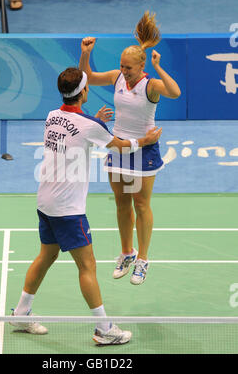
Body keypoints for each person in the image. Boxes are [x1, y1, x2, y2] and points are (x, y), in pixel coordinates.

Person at [10, 67, 162, 345]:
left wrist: (96, 121)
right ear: (84, 91)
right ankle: (104, 329)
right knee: (87, 267)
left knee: (46, 256)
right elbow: (119, 146)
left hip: (45, 201)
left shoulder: (52, 116)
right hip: (68, 208)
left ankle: (21, 312)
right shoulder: (91, 126)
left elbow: (77, 129)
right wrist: (146, 141)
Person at [79, 11, 181, 286]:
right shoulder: (116, 78)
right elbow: (87, 76)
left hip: (145, 149)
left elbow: (175, 92)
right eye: (122, 66)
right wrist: (86, 53)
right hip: (119, 146)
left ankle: (143, 259)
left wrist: (159, 68)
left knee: (141, 203)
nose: (124, 71)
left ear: (141, 65)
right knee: (122, 202)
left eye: (129, 68)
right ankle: (127, 252)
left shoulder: (151, 85)